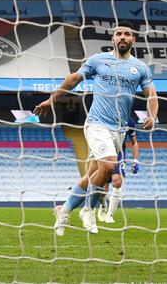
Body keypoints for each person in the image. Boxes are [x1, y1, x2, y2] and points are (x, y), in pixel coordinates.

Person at [34, 25, 158, 236]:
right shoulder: (98, 60)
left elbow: (152, 94)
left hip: (119, 130)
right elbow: (74, 79)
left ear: (133, 40)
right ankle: (88, 210)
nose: (122, 37)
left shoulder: (140, 68)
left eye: (127, 34)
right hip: (97, 124)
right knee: (109, 167)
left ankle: (63, 210)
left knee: (92, 174)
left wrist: (152, 116)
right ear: (113, 38)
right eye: (118, 33)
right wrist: (51, 99)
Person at [93, 117, 139, 224]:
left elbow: (134, 142)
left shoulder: (130, 121)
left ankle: (110, 215)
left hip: (119, 155)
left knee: (117, 181)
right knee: (103, 190)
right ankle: (103, 205)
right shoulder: (105, 116)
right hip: (104, 153)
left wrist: (135, 160)